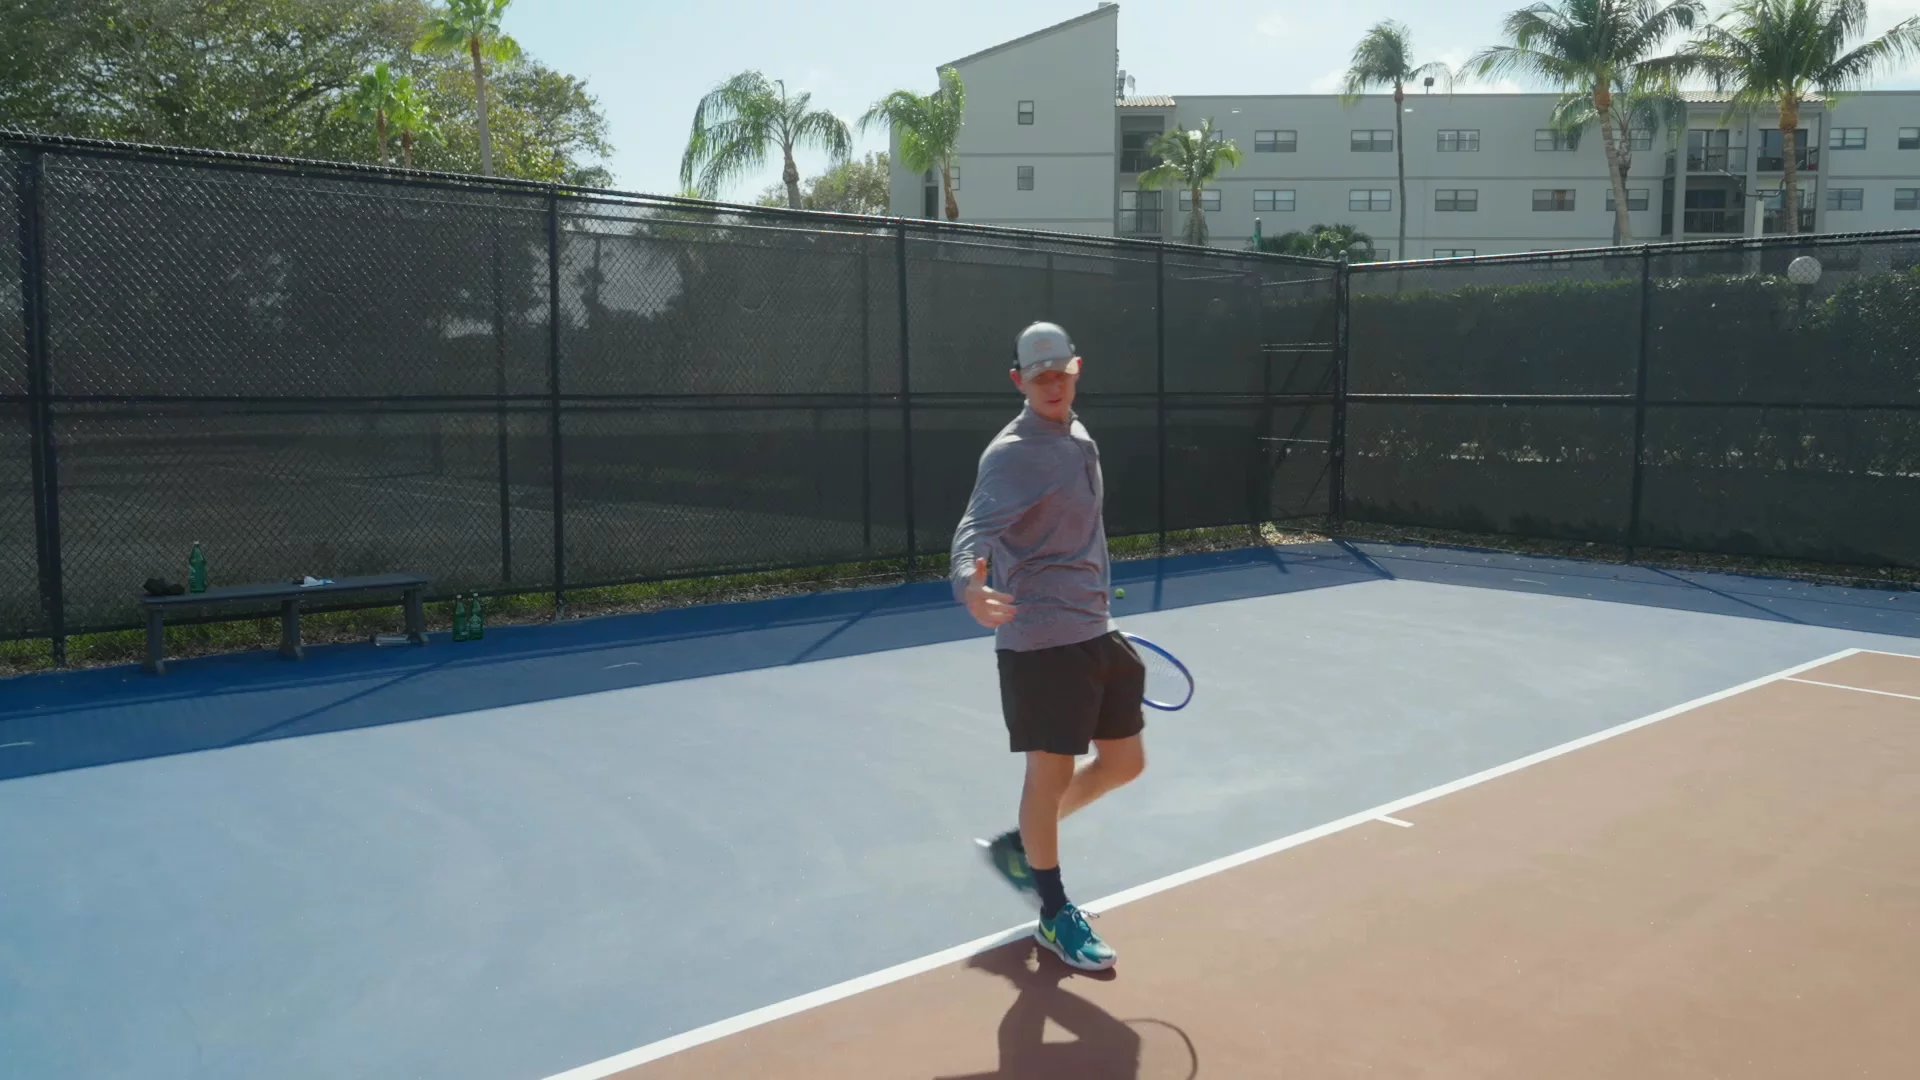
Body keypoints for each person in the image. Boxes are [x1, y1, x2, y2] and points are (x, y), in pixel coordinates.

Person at [950, 321, 1147, 973]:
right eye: (1040, 377)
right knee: (1051, 771)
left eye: (1061, 372)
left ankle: (1024, 845)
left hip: (1093, 628)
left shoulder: (1077, 435)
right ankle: (1054, 912)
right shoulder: (1012, 453)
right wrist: (971, 588)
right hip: (1039, 640)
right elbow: (975, 527)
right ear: (1020, 382)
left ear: (1077, 368)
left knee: (1124, 763)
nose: (1053, 384)